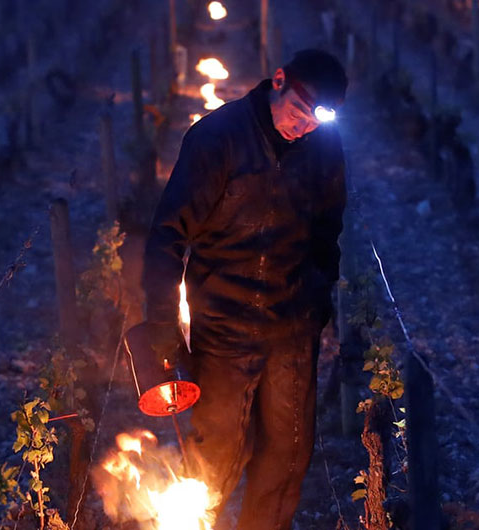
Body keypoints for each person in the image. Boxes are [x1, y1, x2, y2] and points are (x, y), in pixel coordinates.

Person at [137, 48, 348, 528]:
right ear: (278, 81)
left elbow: (327, 230)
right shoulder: (217, 139)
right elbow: (167, 236)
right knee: (217, 455)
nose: (304, 127)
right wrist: (163, 326)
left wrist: (315, 302)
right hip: (224, 326)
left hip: (292, 328)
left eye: (316, 122)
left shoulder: (324, 149)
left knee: (288, 455)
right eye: (299, 112)